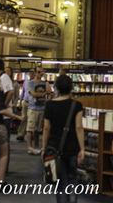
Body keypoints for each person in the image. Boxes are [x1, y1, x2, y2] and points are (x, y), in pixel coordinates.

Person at [42, 75, 84, 203]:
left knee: (60, 181)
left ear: (56, 88)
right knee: (72, 179)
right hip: (72, 147)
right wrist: (82, 148)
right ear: (71, 88)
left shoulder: (49, 105)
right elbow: (79, 127)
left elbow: (46, 128)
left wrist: (44, 148)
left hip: (54, 147)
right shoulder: (76, 105)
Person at [0, 59, 14, 176]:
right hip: (0, 115)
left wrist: (4, 105)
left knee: (3, 143)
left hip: (5, 116)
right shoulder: (0, 77)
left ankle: (3, 168)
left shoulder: (4, 77)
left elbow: (10, 92)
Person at [27, 66, 52, 155]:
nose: (40, 73)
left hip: (41, 108)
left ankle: (37, 146)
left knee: (38, 129)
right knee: (30, 128)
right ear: (35, 72)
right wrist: (44, 93)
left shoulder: (43, 82)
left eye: (42, 72)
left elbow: (49, 91)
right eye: (39, 72)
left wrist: (46, 80)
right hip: (33, 108)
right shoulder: (30, 83)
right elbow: (34, 94)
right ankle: (30, 147)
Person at [16, 68, 35, 141]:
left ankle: (31, 134)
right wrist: (20, 101)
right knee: (23, 118)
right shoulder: (26, 82)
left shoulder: (36, 82)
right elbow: (23, 92)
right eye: (30, 73)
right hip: (25, 101)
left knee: (31, 119)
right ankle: (21, 134)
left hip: (32, 103)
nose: (31, 74)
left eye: (32, 73)